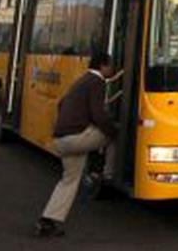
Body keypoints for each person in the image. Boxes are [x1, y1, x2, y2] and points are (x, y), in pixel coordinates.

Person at [35, 52, 118, 238]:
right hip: (75, 139)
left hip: (61, 139)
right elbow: (99, 114)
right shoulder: (97, 82)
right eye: (111, 66)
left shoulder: (81, 80)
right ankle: (107, 173)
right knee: (116, 136)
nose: (113, 69)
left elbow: (62, 104)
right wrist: (111, 129)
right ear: (103, 66)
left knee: (69, 181)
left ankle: (47, 220)